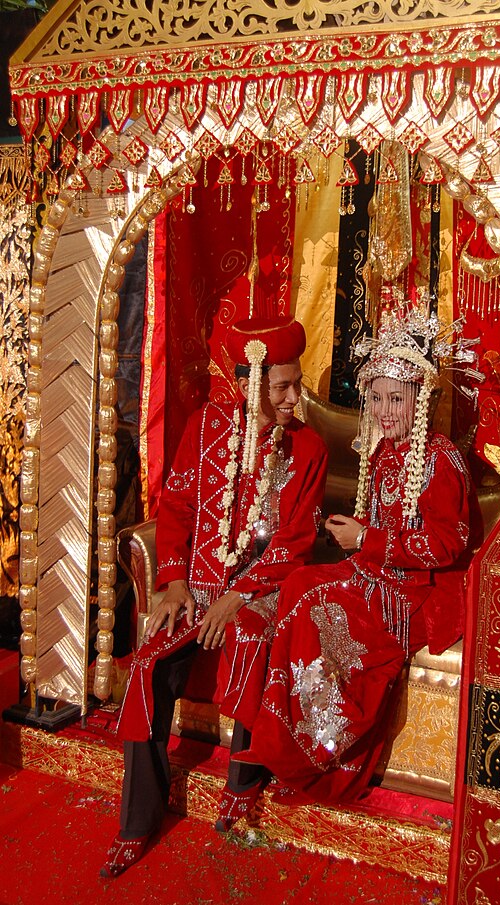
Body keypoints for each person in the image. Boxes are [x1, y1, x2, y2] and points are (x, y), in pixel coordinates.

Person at [100, 314, 328, 878]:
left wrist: (240, 594)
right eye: (282, 386)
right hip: (196, 585)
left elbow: (298, 540)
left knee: (252, 632)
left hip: (263, 589)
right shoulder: (205, 429)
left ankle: (243, 783)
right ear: (251, 384)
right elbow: (174, 508)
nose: (295, 397)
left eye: (296, 384)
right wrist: (174, 580)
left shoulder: (308, 448)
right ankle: (136, 824)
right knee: (150, 663)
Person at [232, 298, 484, 805]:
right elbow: (386, 531)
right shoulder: (386, 455)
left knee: (311, 600)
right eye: (378, 400)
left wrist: (366, 540)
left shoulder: (442, 460)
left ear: (420, 400)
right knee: (299, 584)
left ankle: (326, 752)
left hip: (414, 597)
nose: (385, 412)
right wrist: (354, 533)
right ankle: (284, 741)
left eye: (397, 399)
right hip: (378, 575)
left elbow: (446, 543)